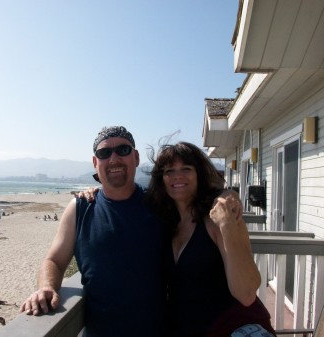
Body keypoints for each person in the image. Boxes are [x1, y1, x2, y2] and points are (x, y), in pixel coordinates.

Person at [19, 126, 241, 337]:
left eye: (122, 150)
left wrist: (228, 194)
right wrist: (46, 287)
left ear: (135, 157)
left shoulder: (160, 203)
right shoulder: (79, 209)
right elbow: (54, 260)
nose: (114, 159)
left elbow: (193, 192)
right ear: (96, 162)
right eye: (104, 153)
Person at [145, 141, 276, 337]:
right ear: (161, 179)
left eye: (186, 168)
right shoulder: (165, 223)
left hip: (233, 326)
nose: (177, 176)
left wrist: (227, 226)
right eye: (169, 171)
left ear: (199, 175)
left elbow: (247, 294)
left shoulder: (220, 218)